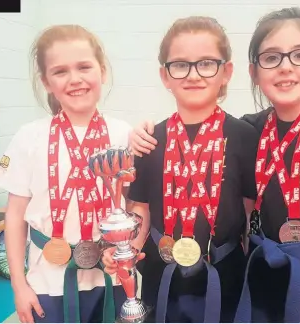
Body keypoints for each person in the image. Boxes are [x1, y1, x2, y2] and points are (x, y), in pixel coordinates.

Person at [127, 7, 300, 323]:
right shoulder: (254, 130)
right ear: (254, 71)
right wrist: (138, 134)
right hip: (262, 283)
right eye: (271, 58)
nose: (285, 67)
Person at [102, 16, 259, 323]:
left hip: (224, 274)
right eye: (180, 65)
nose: (193, 75)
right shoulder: (150, 140)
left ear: (226, 72)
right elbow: (141, 210)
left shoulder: (244, 136)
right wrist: (126, 251)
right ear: (165, 76)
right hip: (164, 277)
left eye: (206, 63)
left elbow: (248, 209)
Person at [0, 24, 133, 323]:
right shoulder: (28, 137)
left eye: (84, 67)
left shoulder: (124, 135)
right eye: (60, 71)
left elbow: (132, 206)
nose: (75, 80)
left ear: (102, 71)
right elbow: (15, 216)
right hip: (48, 281)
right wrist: (19, 284)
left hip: (111, 277)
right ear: (46, 81)